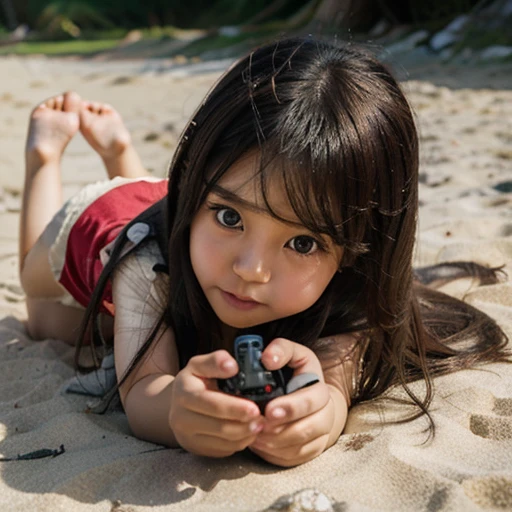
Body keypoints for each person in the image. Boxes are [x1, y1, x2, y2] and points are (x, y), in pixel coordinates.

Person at [19, 37, 510, 468]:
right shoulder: (146, 262)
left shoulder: (353, 277)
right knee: (44, 319)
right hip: (100, 225)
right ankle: (46, 157)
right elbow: (143, 389)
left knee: (146, 303)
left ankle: (140, 166)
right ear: (195, 185)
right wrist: (176, 411)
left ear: (356, 250)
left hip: (182, 213)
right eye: (230, 218)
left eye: (302, 243)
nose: (250, 270)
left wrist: (326, 410)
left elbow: (341, 367)